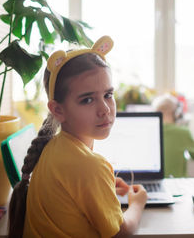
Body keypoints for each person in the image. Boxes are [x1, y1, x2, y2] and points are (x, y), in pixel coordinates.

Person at [8, 36, 147, 238]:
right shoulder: (89, 166)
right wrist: (137, 204)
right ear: (58, 109)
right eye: (88, 100)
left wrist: (103, 187)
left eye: (108, 95)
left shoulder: (53, 148)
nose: (105, 109)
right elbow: (122, 233)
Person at [152, 94, 194, 178]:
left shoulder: (151, 131)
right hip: (177, 182)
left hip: (155, 180)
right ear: (177, 113)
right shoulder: (183, 132)